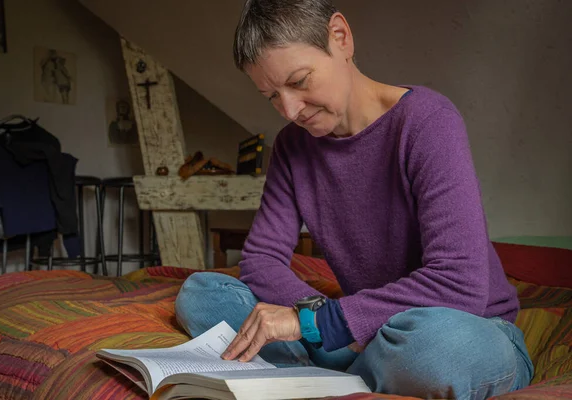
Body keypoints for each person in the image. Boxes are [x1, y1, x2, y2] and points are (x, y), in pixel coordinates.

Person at [175, 1, 534, 398]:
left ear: (340, 38)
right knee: (201, 294)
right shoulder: (293, 148)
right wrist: (319, 319)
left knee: (440, 350)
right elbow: (261, 259)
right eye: (272, 96)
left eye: (299, 81)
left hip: (466, 328)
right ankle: (353, 376)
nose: (290, 110)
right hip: (357, 335)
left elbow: (458, 285)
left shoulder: (428, 121)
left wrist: (316, 326)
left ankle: (327, 376)